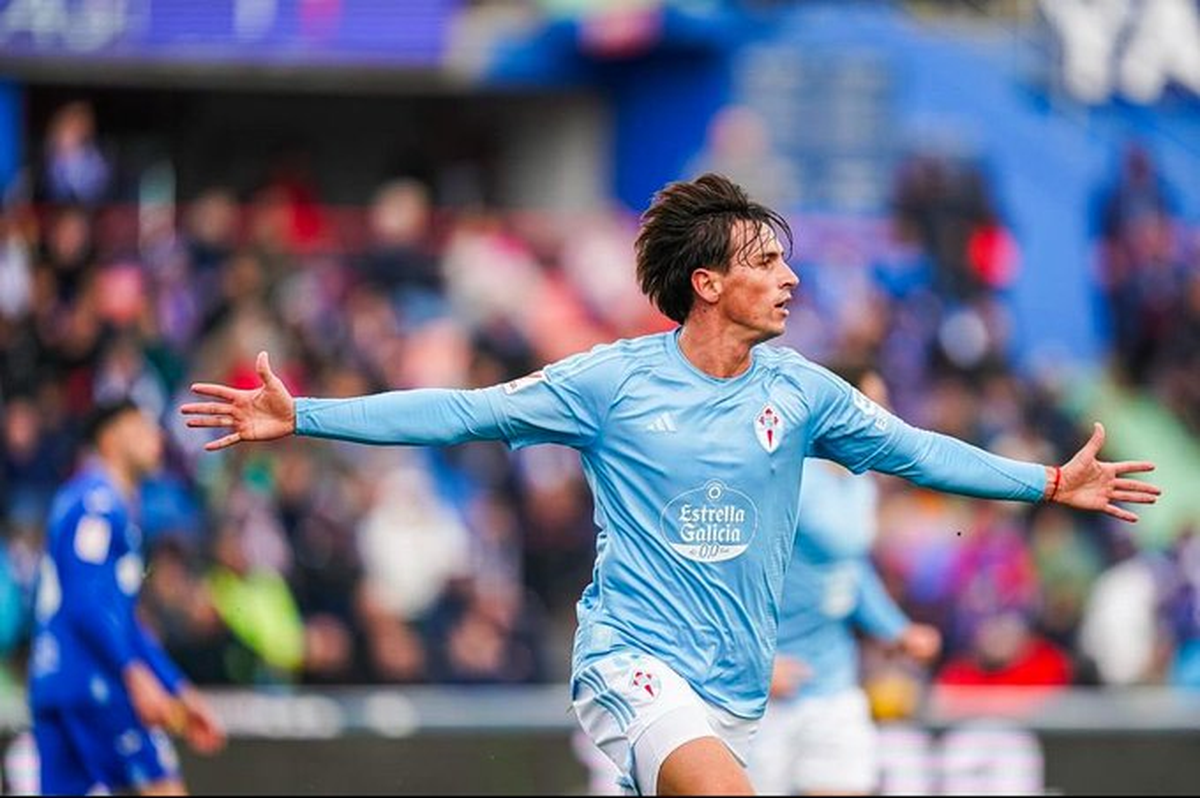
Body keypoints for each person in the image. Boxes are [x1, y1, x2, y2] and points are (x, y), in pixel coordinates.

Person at [182, 174, 1159, 796]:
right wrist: (303, 414)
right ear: (706, 282)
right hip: (631, 661)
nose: (790, 279)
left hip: (737, 693)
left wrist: (1044, 481)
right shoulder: (611, 382)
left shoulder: (803, 394)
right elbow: (465, 411)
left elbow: (914, 448)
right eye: (765, 261)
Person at [747, 367, 941, 796]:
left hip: (833, 681)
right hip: (763, 694)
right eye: (872, 404)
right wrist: (753, 666)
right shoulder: (781, 480)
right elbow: (725, 578)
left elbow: (851, 570)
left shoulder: (861, 485)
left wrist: (895, 629)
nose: (885, 416)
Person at [30, 399, 225, 796]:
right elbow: (87, 604)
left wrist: (177, 688)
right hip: (95, 683)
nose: (156, 438)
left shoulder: (92, 502)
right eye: (142, 427)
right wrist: (133, 675)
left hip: (57, 683)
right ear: (111, 437)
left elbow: (120, 619)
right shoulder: (98, 505)